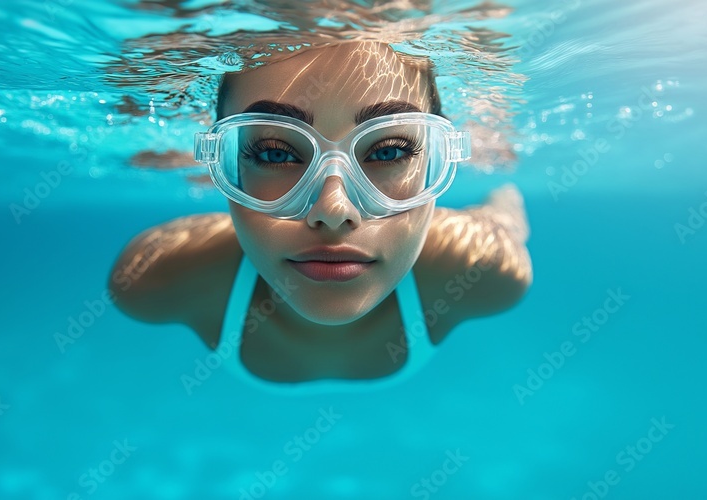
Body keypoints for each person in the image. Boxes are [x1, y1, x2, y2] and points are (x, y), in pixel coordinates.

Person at [109, 41, 532, 392]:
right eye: (275, 153)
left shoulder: (484, 269)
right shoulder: (155, 276)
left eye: (388, 151)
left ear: (439, 157)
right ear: (221, 161)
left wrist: (503, 217)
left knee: (502, 217)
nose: (333, 211)